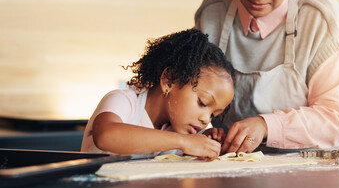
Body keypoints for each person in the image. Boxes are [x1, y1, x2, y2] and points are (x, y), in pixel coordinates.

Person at [195, 0, 339, 154]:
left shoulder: (321, 18)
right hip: (230, 164)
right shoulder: (212, 11)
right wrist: (207, 133)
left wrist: (265, 126)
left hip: (313, 166)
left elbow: (335, 117)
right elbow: (191, 100)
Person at [81, 29, 235, 161]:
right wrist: (184, 142)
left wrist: (203, 145)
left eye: (213, 115)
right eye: (202, 103)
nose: (206, 119)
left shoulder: (175, 131)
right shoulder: (124, 101)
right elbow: (106, 136)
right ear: (169, 80)